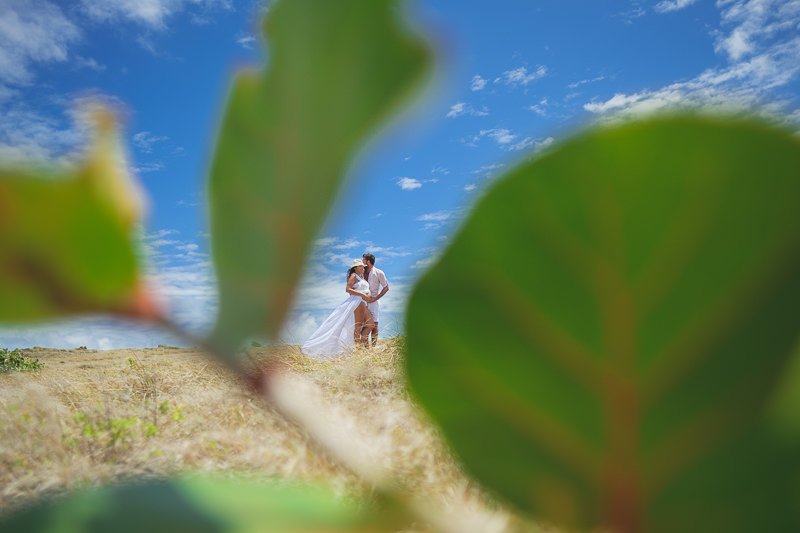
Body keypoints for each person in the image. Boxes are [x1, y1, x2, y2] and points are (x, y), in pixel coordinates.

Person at [301, 259, 374, 358]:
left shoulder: (362, 279)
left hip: (364, 302)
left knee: (370, 324)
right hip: (358, 301)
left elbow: (367, 290)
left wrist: (368, 295)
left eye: (363, 267)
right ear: (355, 268)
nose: (363, 268)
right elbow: (348, 289)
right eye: (361, 266)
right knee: (358, 327)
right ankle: (359, 351)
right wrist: (362, 294)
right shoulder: (354, 276)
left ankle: (360, 345)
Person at [362, 253, 389, 347]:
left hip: (374, 302)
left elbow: (386, 287)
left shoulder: (379, 272)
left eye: (363, 260)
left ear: (368, 261)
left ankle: (373, 348)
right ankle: (366, 348)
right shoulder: (360, 272)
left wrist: (375, 298)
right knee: (363, 324)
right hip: (362, 301)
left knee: (375, 325)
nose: (362, 262)